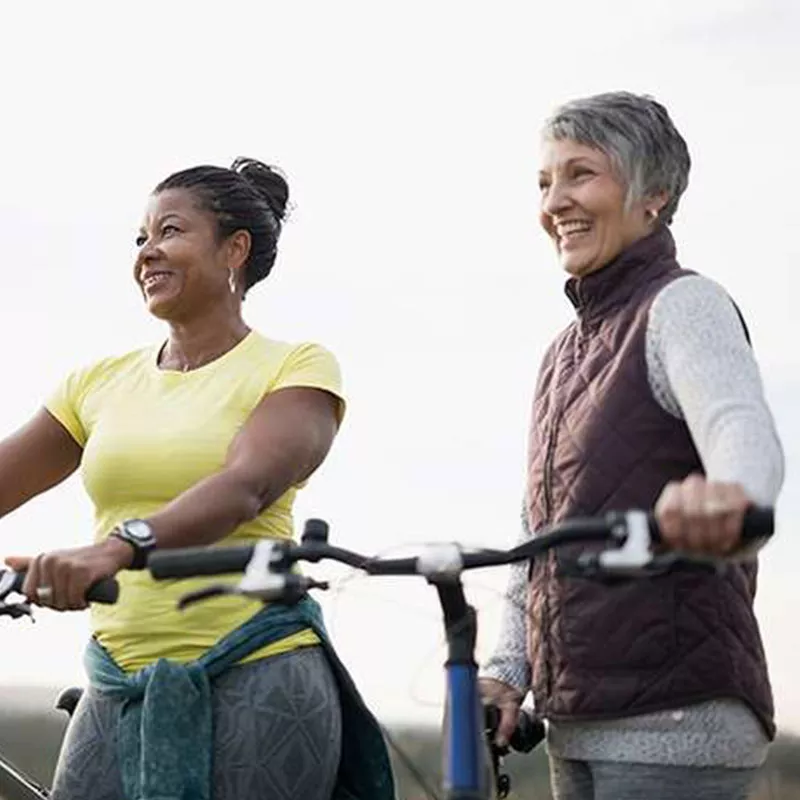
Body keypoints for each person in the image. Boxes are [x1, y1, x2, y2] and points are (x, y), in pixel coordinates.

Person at [1, 158, 394, 800]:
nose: (148, 252)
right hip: (117, 674)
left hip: (255, 664)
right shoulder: (98, 382)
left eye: (170, 231)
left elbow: (248, 485)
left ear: (234, 249)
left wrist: (117, 547)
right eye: (140, 238)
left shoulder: (296, 366)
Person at [479, 92, 784, 800]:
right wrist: (508, 669)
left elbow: (741, 427)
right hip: (576, 723)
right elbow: (540, 531)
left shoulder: (683, 305)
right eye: (544, 182)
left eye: (581, 174)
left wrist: (732, 498)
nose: (556, 201)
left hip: (676, 722)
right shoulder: (561, 354)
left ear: (655, 194)